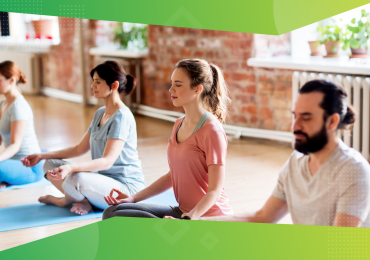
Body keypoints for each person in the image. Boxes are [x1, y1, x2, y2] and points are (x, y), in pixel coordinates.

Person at [200, 79, 370, 227]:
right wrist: (197, 224)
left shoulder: (354, 170)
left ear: (332, 121)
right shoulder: (295, 162)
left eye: (306, 118)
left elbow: (341, 246)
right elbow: (263, 217)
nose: (295, 126)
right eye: (295, 116)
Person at [102, 58, 233, 220]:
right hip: (183, 211)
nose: (171, 89)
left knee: (123, 221)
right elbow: (172, 176)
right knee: (112, 213)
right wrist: (133, 198)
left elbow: (215, 190)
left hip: (206, 217)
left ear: (197, 89)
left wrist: (188, 219)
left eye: (178, 85)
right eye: (171, 84)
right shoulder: (179, 124)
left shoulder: (212, 130)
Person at [22, 61, 145, 215]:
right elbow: (79, 149)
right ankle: (86, 201)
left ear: (113, 86)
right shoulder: (101, 113)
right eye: (93, 81)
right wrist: (41, 155)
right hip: (101, 181)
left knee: (75, 177)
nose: (93, 86)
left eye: (98, 82)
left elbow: (107, 162)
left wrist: (71, 168)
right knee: (50, 164)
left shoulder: (122, 117)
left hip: (124, 188)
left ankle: (64, 201)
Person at [0, 60, 43, 189]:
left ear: (12, 80)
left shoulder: (18, 107)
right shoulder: (3, 103)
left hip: (29, 167)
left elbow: (15, 145)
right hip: (13, 162)